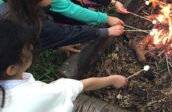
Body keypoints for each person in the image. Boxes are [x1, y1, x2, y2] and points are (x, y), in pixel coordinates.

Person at [0, 18, 128, 112]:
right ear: (11, 69)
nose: (32, 49)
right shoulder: (40, 95)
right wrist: (113, 79)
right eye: (28, 49)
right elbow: (81, 85)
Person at [0, 0, 125, 51]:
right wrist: (106, 32)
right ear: (34, 1)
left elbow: (67, 13)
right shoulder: (34, 24)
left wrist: (57, 44)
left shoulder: (18, 1)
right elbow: (68, 33)